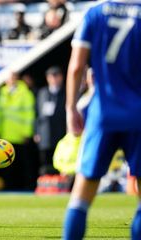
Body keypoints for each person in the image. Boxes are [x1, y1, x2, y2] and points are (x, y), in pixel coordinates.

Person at [63, 1, 141, 239]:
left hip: (102, 114)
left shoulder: (95, 14)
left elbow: (77, 67)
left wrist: (70, 108)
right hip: (138, 115)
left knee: (81, 194)